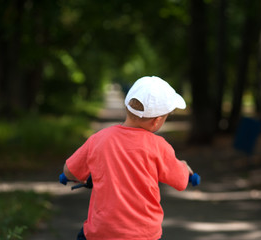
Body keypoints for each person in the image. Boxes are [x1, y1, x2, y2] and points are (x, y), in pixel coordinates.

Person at [63, 76, 194, 240]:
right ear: (157, 121)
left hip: (101, 233)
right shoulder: (159, 146)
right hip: (144, 235)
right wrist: (185, 167)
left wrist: (75, 177)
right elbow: (181, 181)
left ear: (127, 107)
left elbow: (70, 171)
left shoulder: (99, 138)